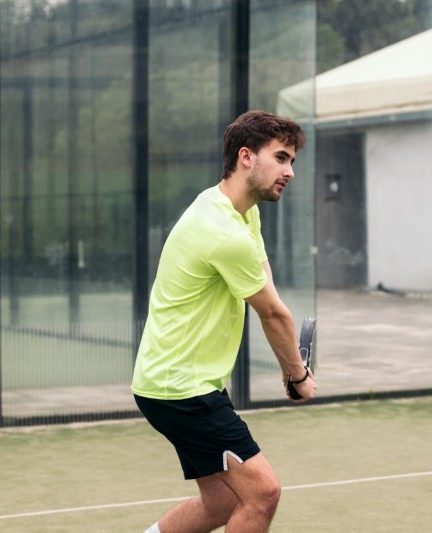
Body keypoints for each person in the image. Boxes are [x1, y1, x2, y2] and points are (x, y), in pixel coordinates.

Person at [132, 110, 317, 533]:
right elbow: (271, 312)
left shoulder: (236, 209)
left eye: (292, 161)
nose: (290, 171)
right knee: (263, 493)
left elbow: (262, 276)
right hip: (182, 389)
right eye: (282, 158)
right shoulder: (222, 231)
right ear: (247, 156)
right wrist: (298, 374)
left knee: (221, 502)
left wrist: (289, 349)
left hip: (171, 383)